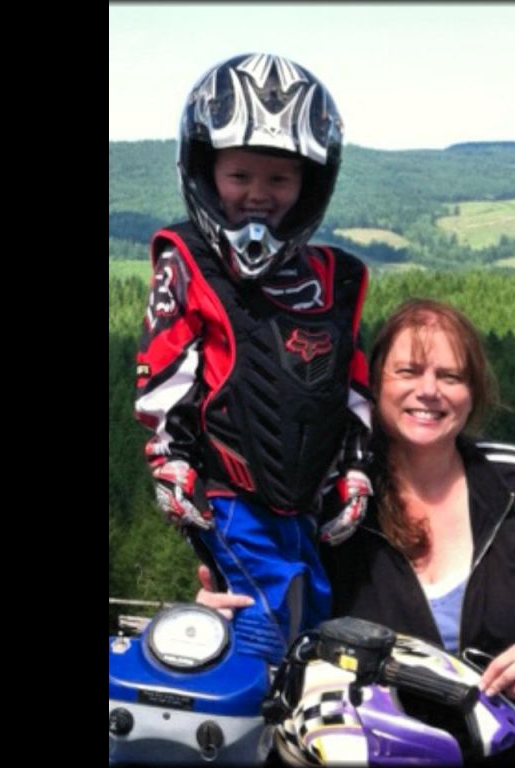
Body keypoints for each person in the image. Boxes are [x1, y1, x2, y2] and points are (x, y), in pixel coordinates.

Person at [199, 299, 515, 766]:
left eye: (451, 376)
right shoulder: (330, 503)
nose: (429, 391)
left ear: (473, 392)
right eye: (408, 372)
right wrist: (223, 620)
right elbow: (278, 619)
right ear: (373, 384)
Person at [135, 53, 373, 666]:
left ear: (309, 185)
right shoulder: (186, 262)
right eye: (239, 176)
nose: (258, 196)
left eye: (279, 180)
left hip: (308, 499)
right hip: (231, 494)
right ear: (205, 172)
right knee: (266, 625)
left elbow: (350, 383)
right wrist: (170, 459)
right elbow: (167, 371)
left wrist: (355, 465)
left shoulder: (334, 278)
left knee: (315, 607)